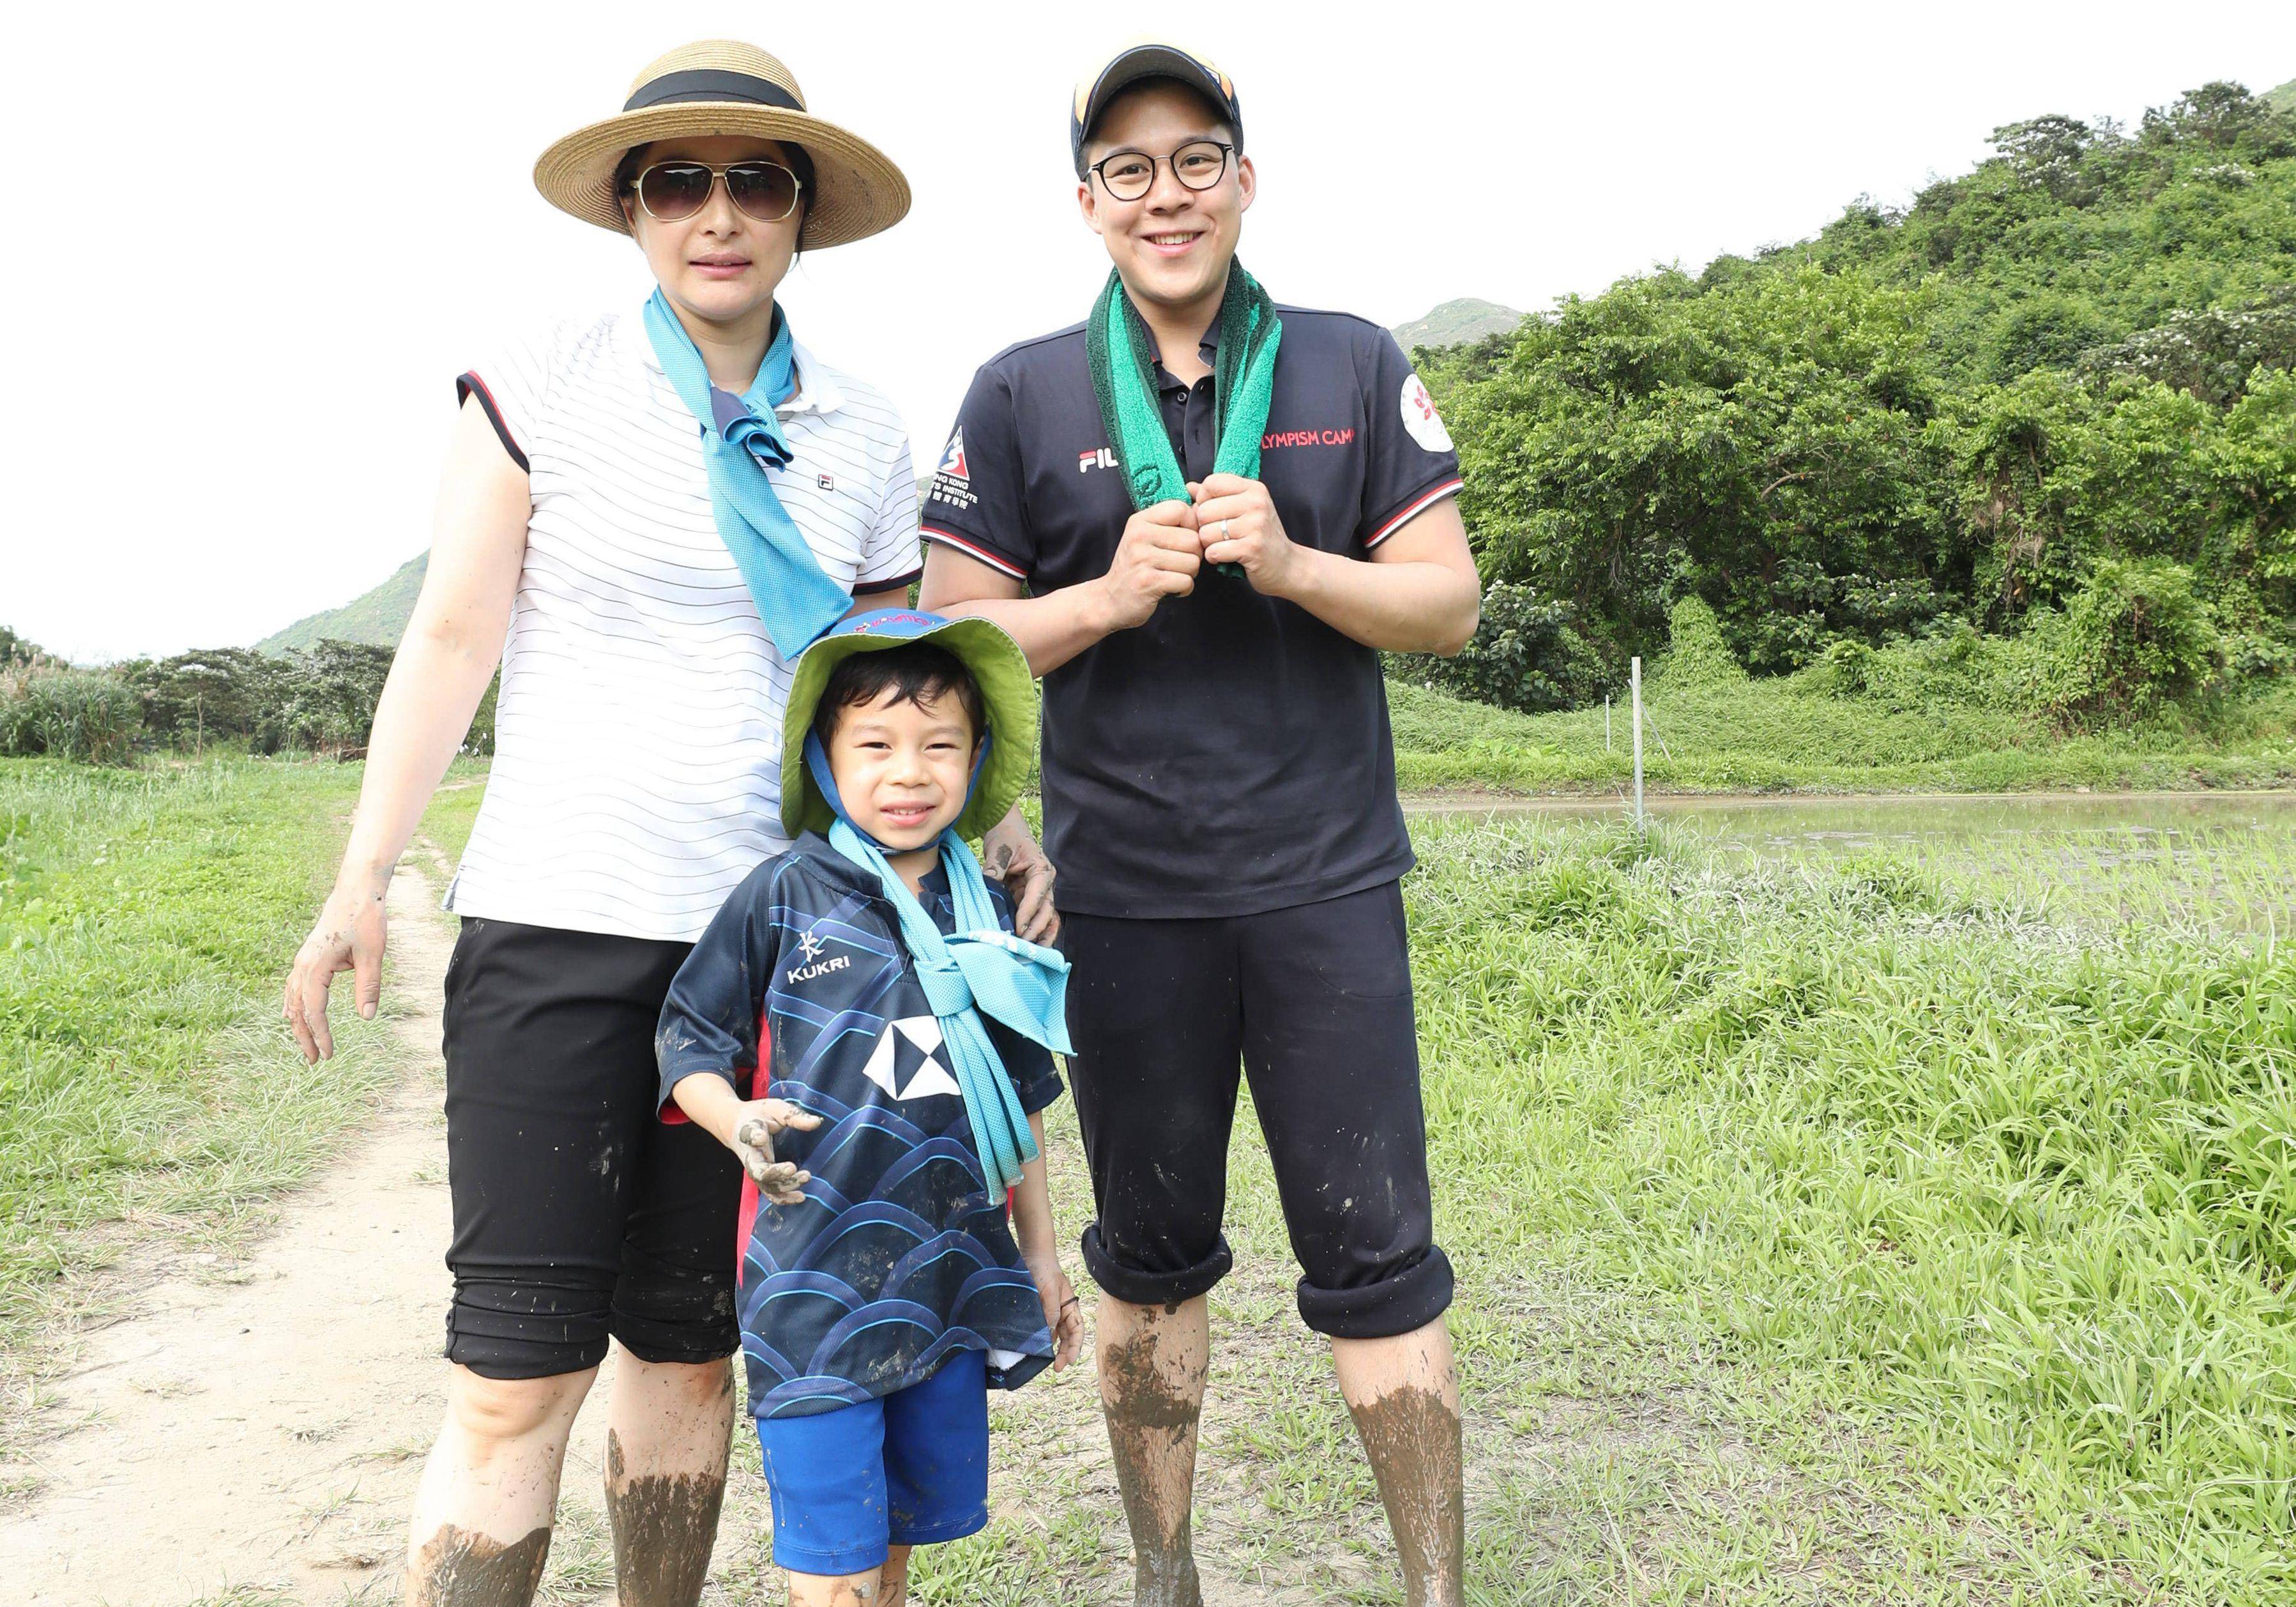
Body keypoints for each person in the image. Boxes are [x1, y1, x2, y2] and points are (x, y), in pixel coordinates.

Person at [279, 42, 1053, 1607]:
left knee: (691, 1360)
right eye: (678, 182)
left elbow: (883, 693)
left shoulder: (862, 423)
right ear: (632, 211)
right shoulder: (549, 376)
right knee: (512, 1376)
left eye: (754, 182)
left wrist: (994, 826)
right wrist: (364, 877)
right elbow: (450, 637)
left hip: (780, 959)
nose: (718, 213)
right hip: (557, 921)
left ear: (799, 213)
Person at [916, 39, 1483, 1607]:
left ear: (1244, 179)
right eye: (1128, 170)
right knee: (1146, 1261)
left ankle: (1433, 1587)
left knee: (1378, 1258)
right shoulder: (1021, 392)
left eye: (1193, 161)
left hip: (1324, 886)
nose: (1164, 196)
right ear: (1087, 204)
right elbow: (953, 641)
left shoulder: (1348, 363)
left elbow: (1446, 602)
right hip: (1121, 899)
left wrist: (1297, 566)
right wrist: (1102, 596)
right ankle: (1164, 1575)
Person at [658, 609, 1084, 1607]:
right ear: (824, 757)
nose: (909, 773)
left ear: (978, 762)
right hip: (810, 1287)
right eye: (876, 746)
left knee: (896, 1549)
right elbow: (687, 1041)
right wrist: (736, 1121)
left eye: (941, 745)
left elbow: (1013, 1111)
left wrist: (1044, 1255)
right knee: (833, 1570)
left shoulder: (986, 912)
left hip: (945, 1282)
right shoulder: (781, 896)